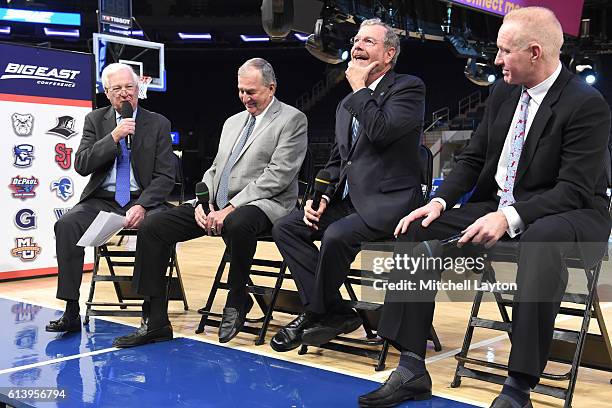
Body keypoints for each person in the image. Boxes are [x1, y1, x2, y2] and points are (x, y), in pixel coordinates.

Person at [359, 7, 611, 408]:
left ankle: (518, 388)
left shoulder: (586, 103)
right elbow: (473, 160)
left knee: (540, 242)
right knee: (414, 229)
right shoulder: (504, 92)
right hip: (502, 202)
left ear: (534, 52)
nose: (495, 61)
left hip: (571, 212)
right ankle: (410, 366)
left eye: (504, 51)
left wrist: (508, 216)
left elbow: (573, 189)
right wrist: (439, 202)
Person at [112, 58, 308, 348]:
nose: (245, 97)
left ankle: (237, 298)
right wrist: (204, 204)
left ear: (271, 87)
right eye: (241, 91)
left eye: (251, 92)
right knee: (154, 225)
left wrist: (230, 207)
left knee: (238, 222)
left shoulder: (292, 119)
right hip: (218, 205)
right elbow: (216, 169)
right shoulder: (232, 122)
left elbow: (278, 176)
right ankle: (154, 320)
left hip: (265, 204)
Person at [270, 18, 426, 353]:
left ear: (388, 54)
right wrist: (321, 196)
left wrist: (360, 89)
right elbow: (338, 161)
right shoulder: (346, 105)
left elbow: (382, 131)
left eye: (368, 41)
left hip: (390, 202)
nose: (357, 45)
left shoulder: (408, 88)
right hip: (350, 201)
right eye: (356, 40)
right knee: (288, 228)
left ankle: (315, 312)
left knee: (336, 235)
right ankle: (336, 310)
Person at [46, 63, 175, 333]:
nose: (125, 93)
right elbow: (82, 165)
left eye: (130, 87)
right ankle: (71, 309)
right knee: (67, 225)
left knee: (159, 226)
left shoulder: (158, 122)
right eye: (117, 88)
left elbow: (165, 177)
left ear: (138, 88)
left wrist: (142, 204)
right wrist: (114, 137)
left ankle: (153, 311)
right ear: (107, 92)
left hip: (144, 199)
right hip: (102, 199)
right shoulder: (95, 120)